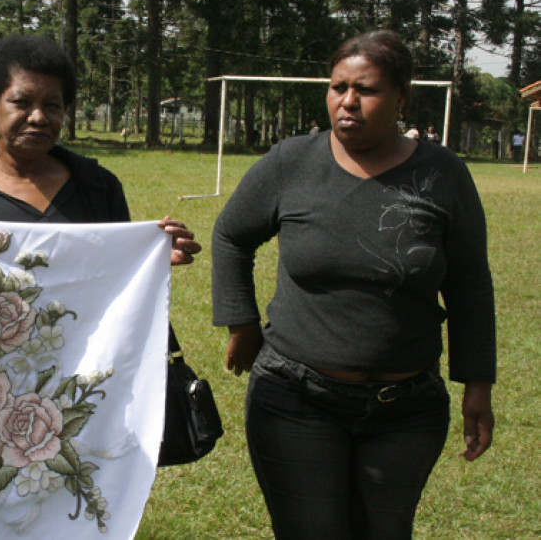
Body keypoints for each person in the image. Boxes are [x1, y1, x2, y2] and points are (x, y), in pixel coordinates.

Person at [0, 33, 201, 538]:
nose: (39, 117)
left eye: (53, 105)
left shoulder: (99, 189)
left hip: (82, 412)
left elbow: (123, 299)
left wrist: (154, 263)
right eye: (23, 102)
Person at [212, 30, 495, 539]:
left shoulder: (444, 174)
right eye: (338, 86)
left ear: (402, 97)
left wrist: (478, 385)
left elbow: (470, 283)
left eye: (366, 90)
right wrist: (242, 322)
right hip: (296, 398)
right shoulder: (291, 162)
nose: (348, 102)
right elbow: (232, 235)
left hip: (407, 410)